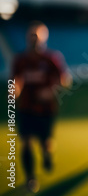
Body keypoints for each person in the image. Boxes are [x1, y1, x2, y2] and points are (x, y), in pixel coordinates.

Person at [12, 21, 71, 193]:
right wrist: (14, 90)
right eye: (30, 36)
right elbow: (16, 80)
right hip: (26, 107)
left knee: (45, 142)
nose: (33, 39)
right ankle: (30, 177)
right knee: (26, 142)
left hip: (46, 109)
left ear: (43, 38)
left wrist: (50, 91)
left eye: (36, 36)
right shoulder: (20, 60)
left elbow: (64, 80)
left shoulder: (52, 59)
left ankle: (47, 155)